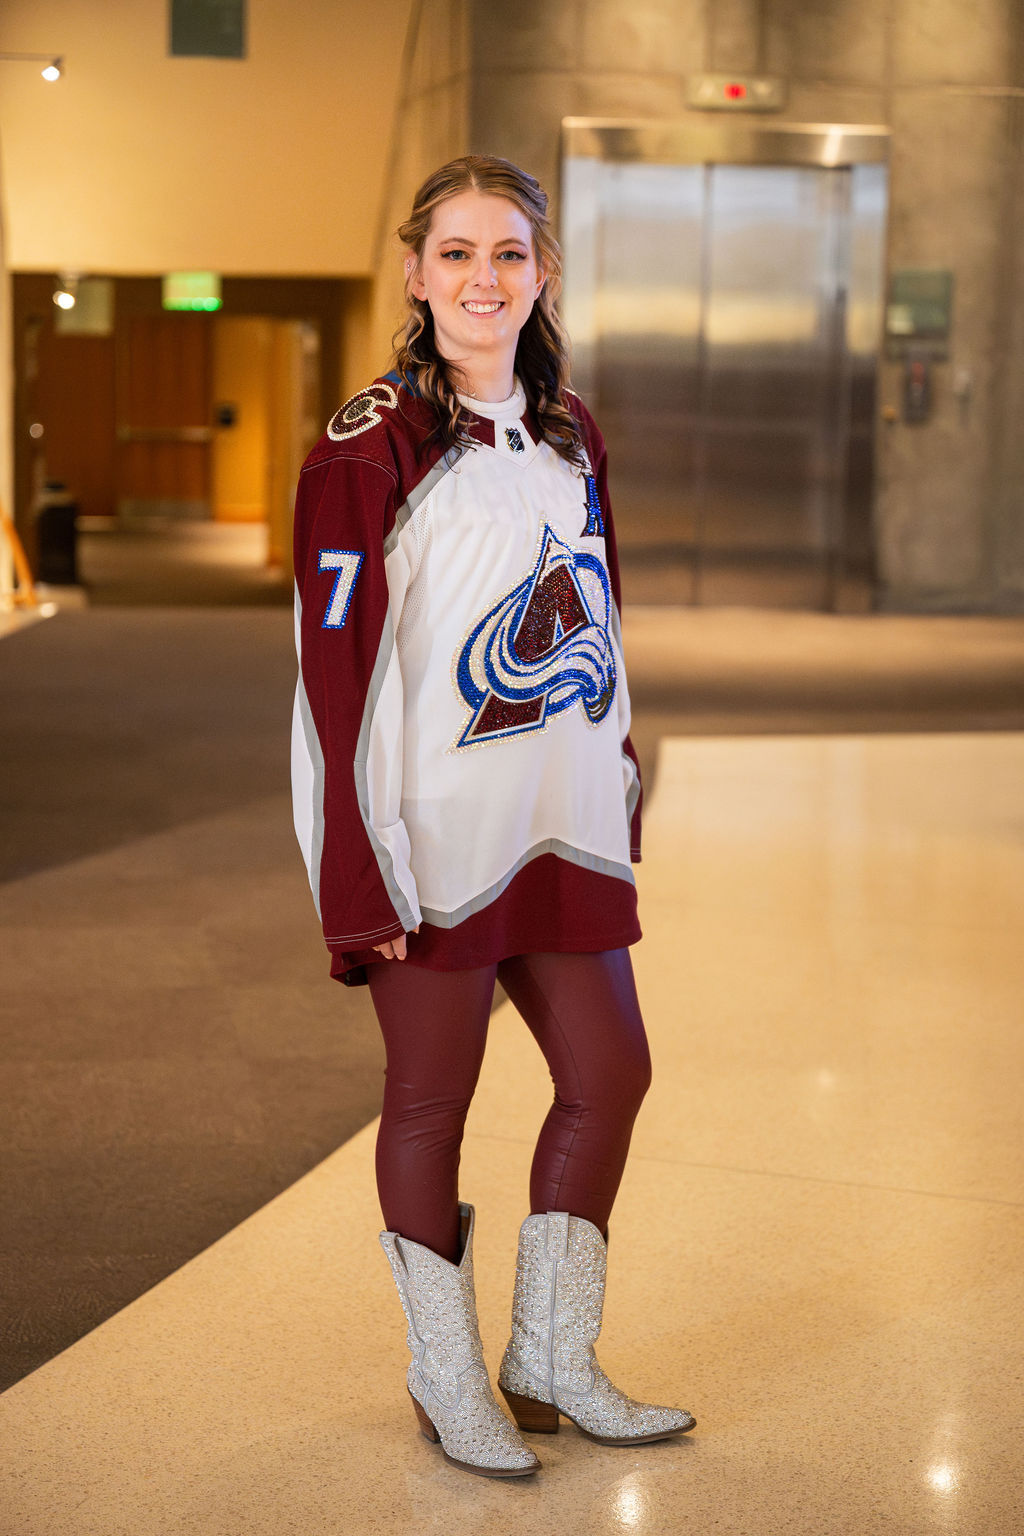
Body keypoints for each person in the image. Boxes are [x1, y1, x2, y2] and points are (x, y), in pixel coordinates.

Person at [291, 155, 694, 1479]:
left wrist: (618, 772)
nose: (483, 278)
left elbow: (603, 614)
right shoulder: (368, 449)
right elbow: (330, 678)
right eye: (456, 253)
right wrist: (356, 873)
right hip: (434, 842)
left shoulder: (569, 427)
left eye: (508, 254)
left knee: (611, 1075)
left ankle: (552, 1359)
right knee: (431, 1103)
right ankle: (449, 1378)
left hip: (559, 825)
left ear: (544, 274)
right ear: (414, 275)